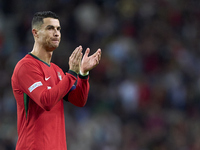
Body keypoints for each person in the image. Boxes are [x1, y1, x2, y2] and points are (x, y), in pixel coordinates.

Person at [11, 11, 101, 150]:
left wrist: (83, 74)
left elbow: (79, 100)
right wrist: (71, 74)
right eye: (50, 28)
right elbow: (46, 101)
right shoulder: (26, 67)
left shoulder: (57, 71)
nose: (56, 33)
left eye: (58, 29)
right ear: (35, 33)